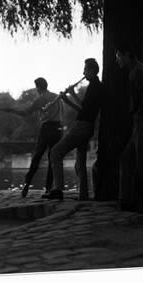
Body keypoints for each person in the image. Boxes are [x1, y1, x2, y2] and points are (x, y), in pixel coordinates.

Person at [47, 58, 103, 201]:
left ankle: (58, 189)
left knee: (55, 152)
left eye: (85, 70)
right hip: (86, 126)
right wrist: (68, 99)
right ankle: (83, 194)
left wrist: (71, 95)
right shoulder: (95, 86)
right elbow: (84, 109)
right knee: (80, 162)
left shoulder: (95, 87)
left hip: (82, 127)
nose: (83, 72)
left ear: (91, 71)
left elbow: (84, 109)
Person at [115, 44, 143, 214]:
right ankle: (127, 200)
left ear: (127, 54)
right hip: (141, 119)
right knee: (127, 159)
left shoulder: (138, 71)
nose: (117, 60)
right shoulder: (135, 70)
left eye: (118, 55)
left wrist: (139, 113)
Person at [4, 77, 63, 198]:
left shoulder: (40, 99)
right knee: (53, 158)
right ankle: (48, 188)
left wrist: (11, 110)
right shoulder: (57, 97)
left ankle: (26, 185)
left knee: (37, 156)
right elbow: (63, 113)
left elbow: (25, 113)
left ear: (38, 87)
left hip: (47, 128)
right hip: (58, 129)